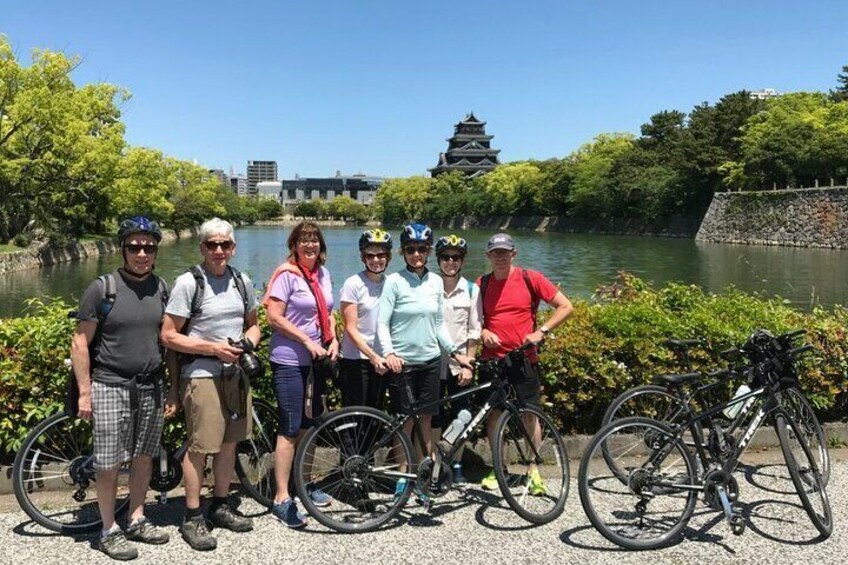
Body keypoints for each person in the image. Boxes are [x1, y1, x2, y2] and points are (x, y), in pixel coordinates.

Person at [70, 216, 171, 561]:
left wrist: (172, 387)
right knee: (109, 462)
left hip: (151, 385)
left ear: (156, 250)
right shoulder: (103, 288)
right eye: (134, 247)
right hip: (111, 384)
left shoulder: (161, 288)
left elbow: (167, 341)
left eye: (148, 247)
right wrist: (85, 391)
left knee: (144, 457)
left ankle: (137, 517)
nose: (142, 253)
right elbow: (80, 343)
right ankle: (108, 528)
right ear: (123, 249)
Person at [160, 218, 260, 551]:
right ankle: (192, 515)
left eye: (225, 245)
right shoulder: (189, 282)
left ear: (233, 247)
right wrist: (213, 349)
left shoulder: (241, 281)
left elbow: (255, 325)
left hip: (235, 374)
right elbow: (169, 335)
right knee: (200, 446)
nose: (219, 250)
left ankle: (220, 504)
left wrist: (247, 343)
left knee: (230, 443)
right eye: (212, 245)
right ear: (202, 247)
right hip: (201, 375)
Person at [377, 223, 473, 503]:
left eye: (422, 249)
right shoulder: (394, 282)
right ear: (403, 252)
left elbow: (438, 324)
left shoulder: (435, 282)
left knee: (426, 421)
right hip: (403, 364)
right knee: (404, 422)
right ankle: (401, 479)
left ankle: (423, 475)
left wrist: (456, 353)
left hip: (431, 361)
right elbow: (382, 323)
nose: (416, 254)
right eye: (411, 249)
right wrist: (389, 353)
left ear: (429, 251)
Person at [476, 233, 573, 494]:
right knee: (494, 415)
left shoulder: (531, 279)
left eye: (504, 252)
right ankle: (499, 468)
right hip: (492, 361)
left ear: (513, 254)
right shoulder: (481, 284)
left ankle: (534, 469)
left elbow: (565, 306)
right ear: (488, 256)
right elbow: (471, 320)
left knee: (531, 415)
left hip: (524, 359)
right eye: (495, 253)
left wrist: (542, 331)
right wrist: (483, 331)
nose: (500, 257)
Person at [264, 221, 339, 528]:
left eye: (315, 241)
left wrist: (332, 337)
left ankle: (304, 485)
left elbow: (328, 312)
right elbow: (273, 318)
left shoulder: (323, 274)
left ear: (321, 246)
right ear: (294, 245)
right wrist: (307, 341)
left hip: (316, 361)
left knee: (310, 425)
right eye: (303, 241)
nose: (310, 245)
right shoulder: (286, 274)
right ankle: (282, 497)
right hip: (290, 360)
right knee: (290, 427)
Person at [432, 234, 480, 485]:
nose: (450, 262)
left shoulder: (472, 289)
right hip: (432, 363)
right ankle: (436, 463)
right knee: (435, 416)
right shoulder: (429, 286)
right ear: (438, 259)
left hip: (459, 363)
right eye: (446, 257)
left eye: (456, 257)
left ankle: (457, 461)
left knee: (461, 415)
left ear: (462, 261)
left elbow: (474, 330)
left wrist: (468, 364)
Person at [338, 229, 393, 408]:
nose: (376, 260)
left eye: (381, 254)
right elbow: (350, 328)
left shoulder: (391, 284)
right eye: (370, 255)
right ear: (363, 257)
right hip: (357, 359)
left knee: (376, 414)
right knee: (355, 414)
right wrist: (372, 356)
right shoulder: (353, 284)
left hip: (382, 359)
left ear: (388, 257)